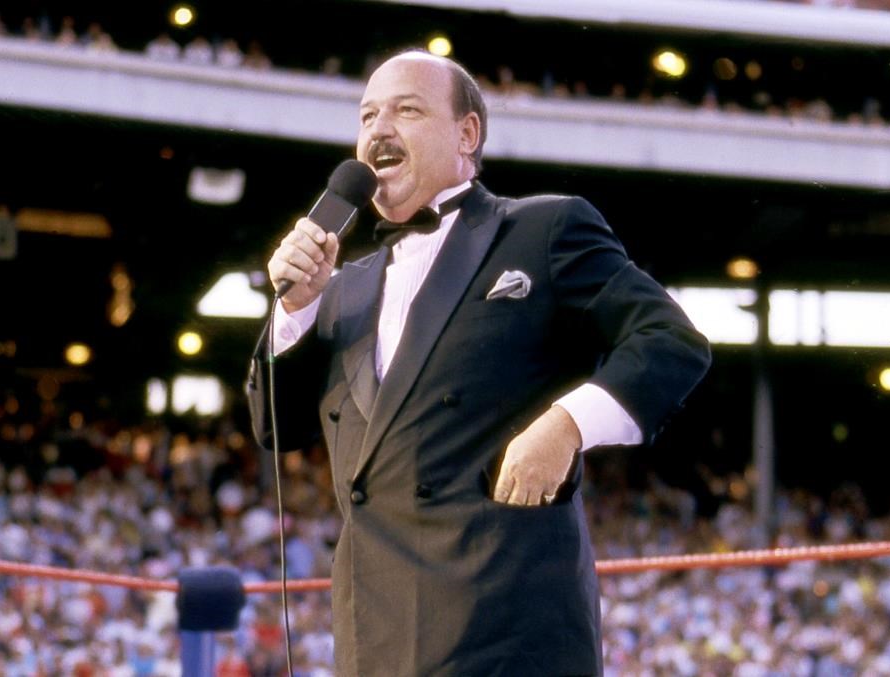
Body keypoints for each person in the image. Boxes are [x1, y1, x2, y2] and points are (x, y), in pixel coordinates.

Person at [248, 50, 711, 676]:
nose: (379, 129)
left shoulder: (542, 229)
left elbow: (669, 339)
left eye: (406, 110)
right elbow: (278, 428)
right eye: (367, 116)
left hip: (506, 633)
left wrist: (566, 425)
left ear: (467, 134)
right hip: (376, 640)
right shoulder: (340, 289)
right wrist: (295, 311)